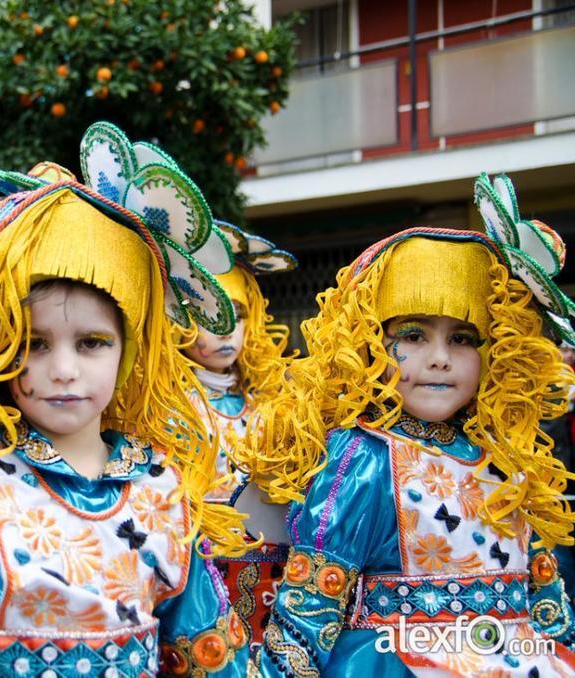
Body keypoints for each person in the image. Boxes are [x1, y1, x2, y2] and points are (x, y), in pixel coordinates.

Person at [0, 122, 255, 677]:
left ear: (129, 353)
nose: (63, 370)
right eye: (33, 343)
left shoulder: (163, 489)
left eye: (92, 343)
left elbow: (212, 657)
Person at [239, 173, 575, 675]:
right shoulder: (363, 458)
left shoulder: (508, 458)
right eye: (414, 335)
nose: (440, 359)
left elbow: (550, 612)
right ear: (369, 343)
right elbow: (307, 622)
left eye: (463, 338)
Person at [183, 225, 297, 652]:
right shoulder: (165, 404)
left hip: (273, 577)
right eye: (209, 314)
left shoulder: (273, 400)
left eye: (238, 312)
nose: (227, 328)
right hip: (202, 573)